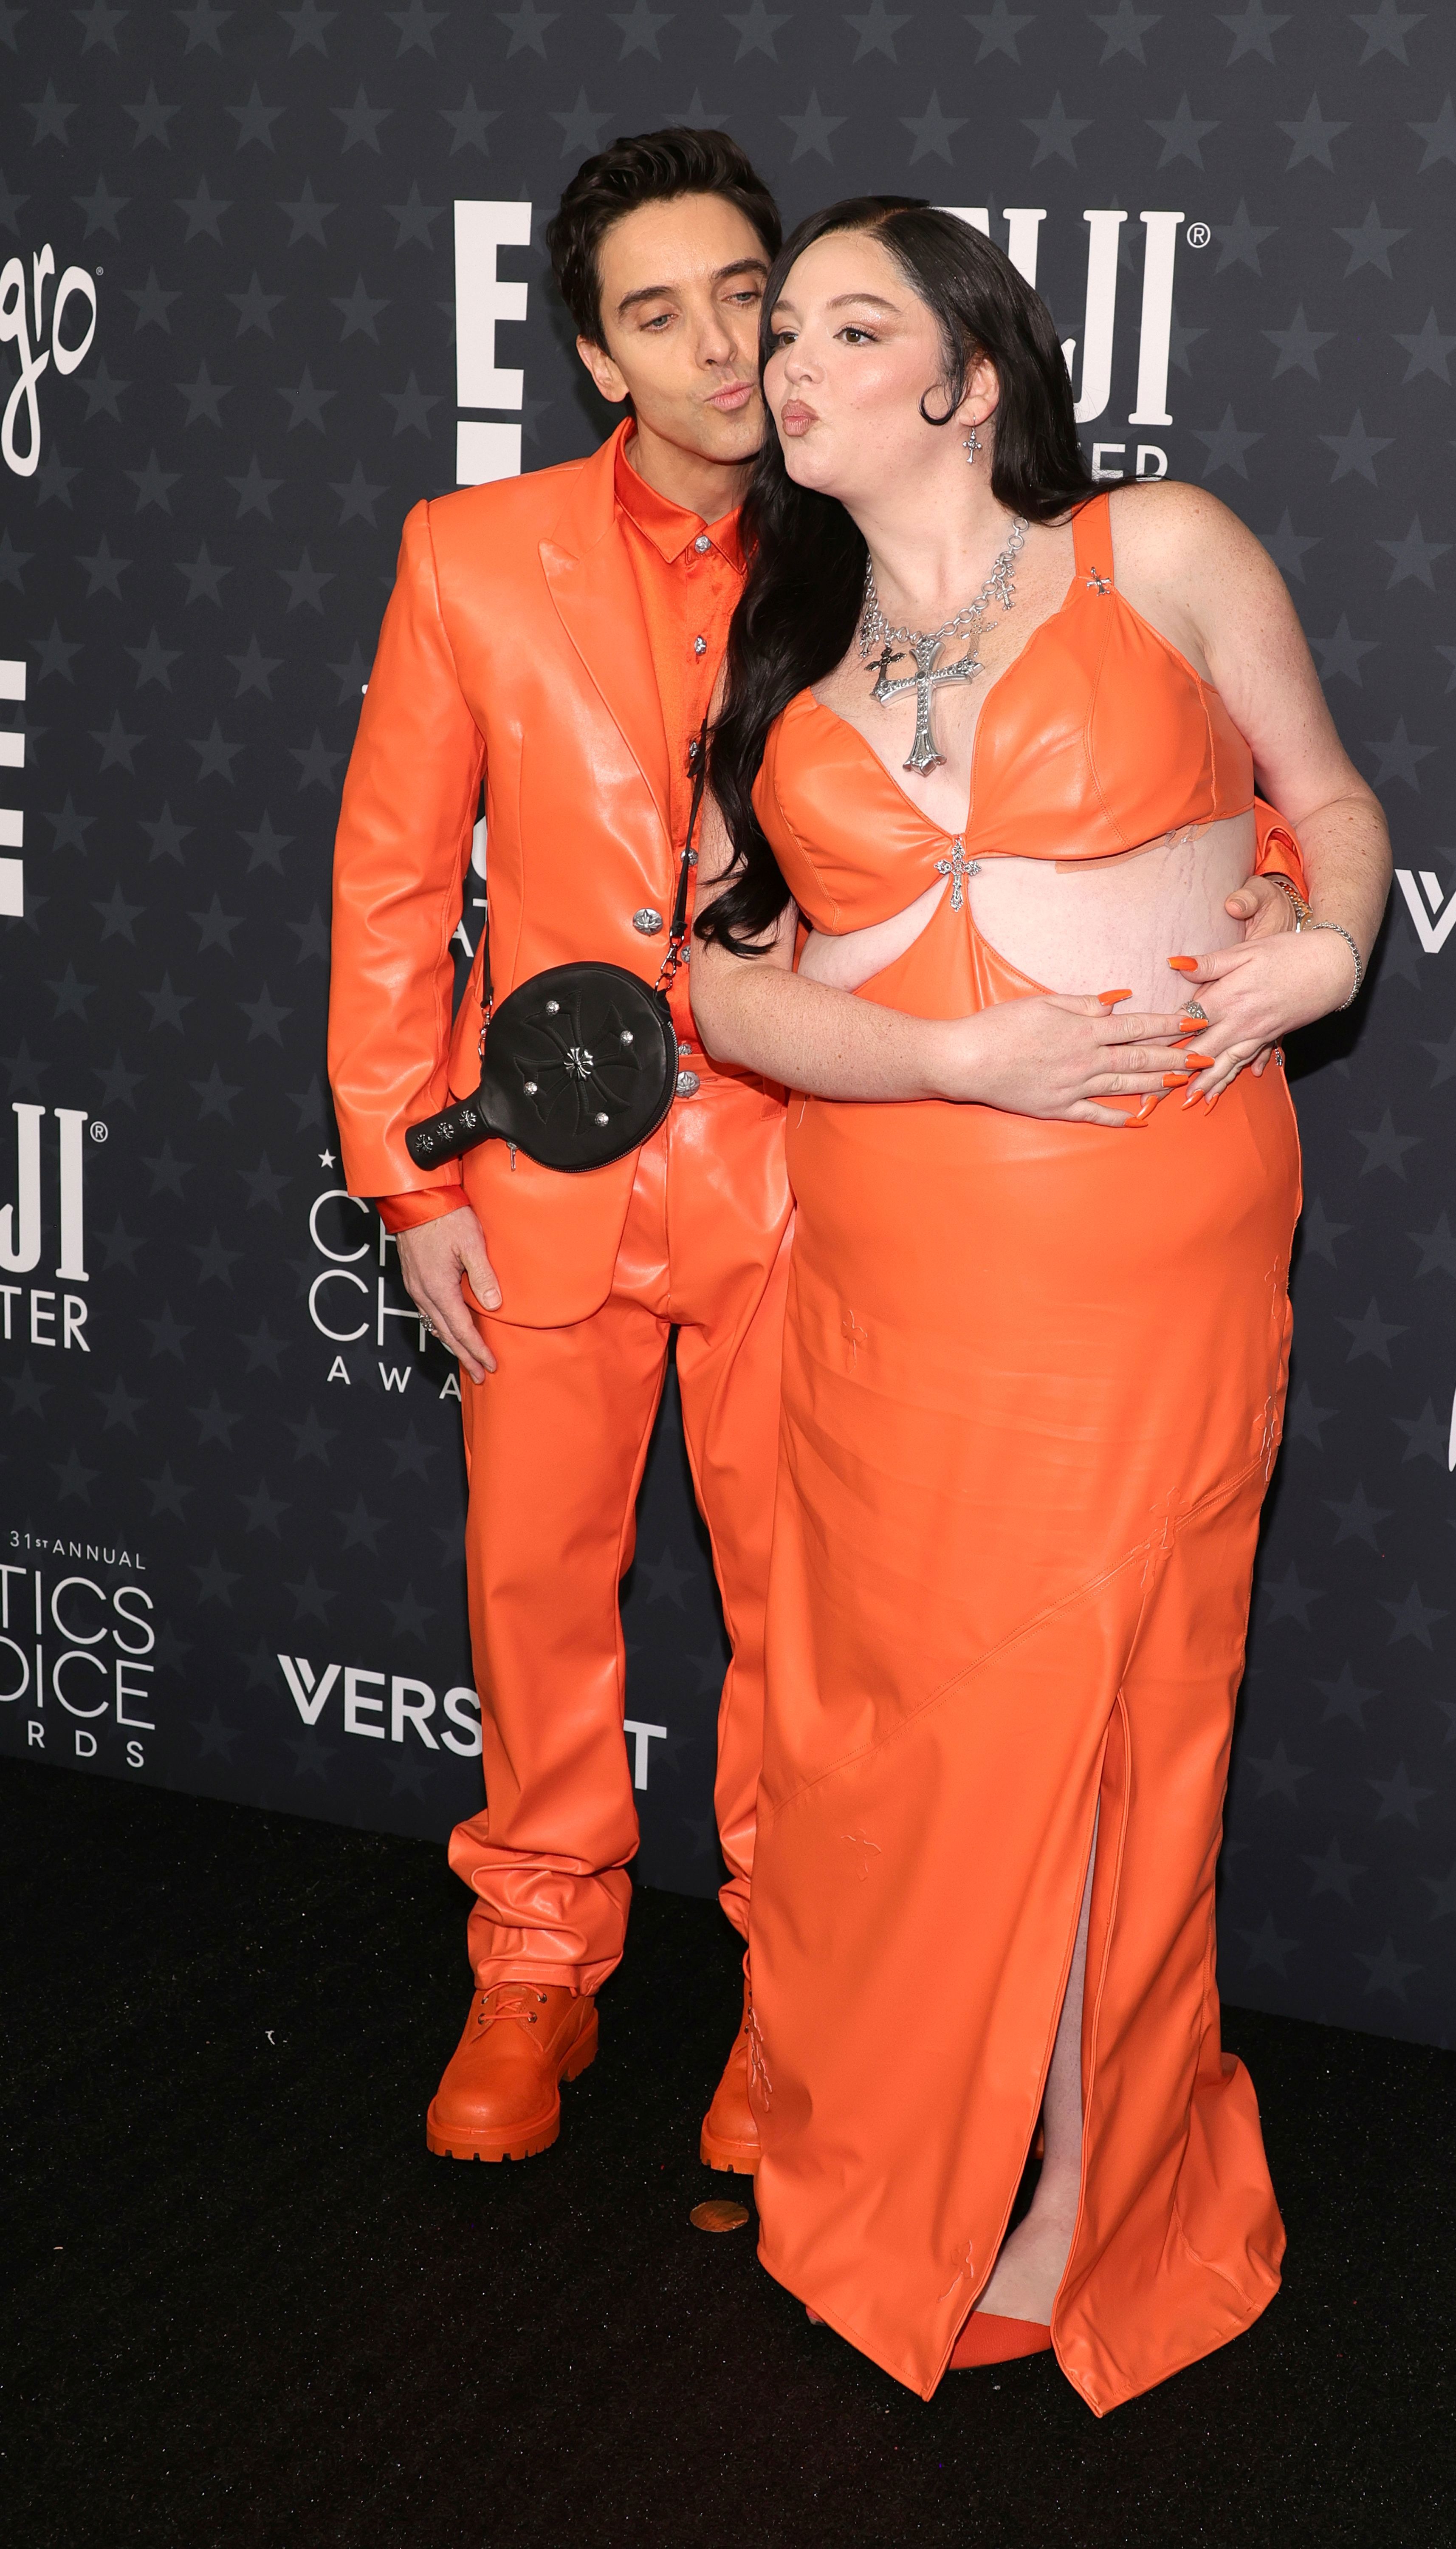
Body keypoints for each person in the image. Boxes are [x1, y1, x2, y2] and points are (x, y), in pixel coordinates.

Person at [689, 199, 1390, 2411]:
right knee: (904, 1731)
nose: (788, 361)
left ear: (968, 377)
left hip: (1148, 1243)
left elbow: (1337, 798)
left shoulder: (1151, 551)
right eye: (775, 331)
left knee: (1121, 1720)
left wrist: (1333, 943)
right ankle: (906, 2149)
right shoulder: (779, 657)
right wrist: (952, 1061)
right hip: (894, 1264)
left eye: (846, 326)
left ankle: (1106, 2191)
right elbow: (730, 992)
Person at [327, 131, 793, 2173]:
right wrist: (408, 1177)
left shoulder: (885, 545)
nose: (719, 344)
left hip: (810, 1168)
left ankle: (804, 1998)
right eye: (660, 311)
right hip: (544, 1169)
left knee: (810, 1610)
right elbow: (388, 882)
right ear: (597, 356)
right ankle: (534, 1962)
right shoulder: (464, 551)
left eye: (745, 293)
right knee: (533, 1592)